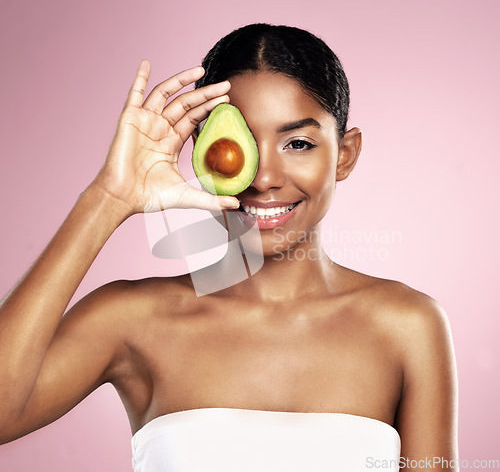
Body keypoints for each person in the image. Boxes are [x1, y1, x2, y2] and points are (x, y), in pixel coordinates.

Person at [0, 23, 458, 471]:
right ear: (197, 151)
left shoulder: (408, 326)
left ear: (345, 155)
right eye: (236, 145)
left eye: (297, 143)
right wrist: (108, 197)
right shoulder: (132, 318)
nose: (263, 178)